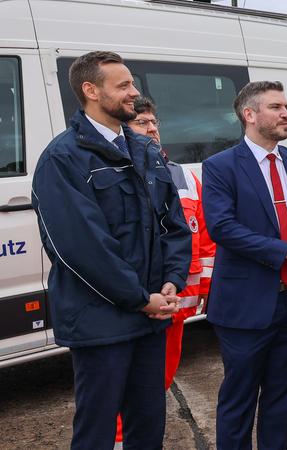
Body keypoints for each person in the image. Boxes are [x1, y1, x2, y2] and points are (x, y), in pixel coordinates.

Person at [30, 50, 191, 449]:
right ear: (90, 90)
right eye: (123, 85)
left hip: (152, 316)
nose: (134, 93)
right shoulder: (62, 159)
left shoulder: (146, 151)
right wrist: (140, 299)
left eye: (131, 84)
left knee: (148, 425)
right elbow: (82, 248)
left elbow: (174, 223)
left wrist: (171, 281)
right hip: (101, 323)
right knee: (97, 431)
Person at [202, 80, 287, 450]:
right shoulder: (220, 166)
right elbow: (222, 227)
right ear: (249, 115)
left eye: (286, 106)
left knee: (280, 398)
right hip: (245, 305)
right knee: (239, 401)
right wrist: (286, 249)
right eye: (276, 107)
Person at [111, 96, 217, 445]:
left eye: (154, 122)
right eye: (142, 123)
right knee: (124, 385)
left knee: (160, 381)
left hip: (176, 305)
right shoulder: (114, 173)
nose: (152, 128)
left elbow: (203, 235)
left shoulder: (183, 175)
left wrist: (205, 288)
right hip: (136, 305)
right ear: (124, 127)